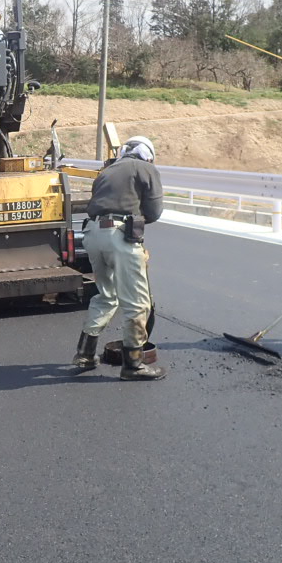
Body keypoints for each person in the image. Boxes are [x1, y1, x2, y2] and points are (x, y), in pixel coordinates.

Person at [72, 135, 166, 380]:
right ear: (148, 155)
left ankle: (85, 354)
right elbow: (154, 212)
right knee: (137, 302)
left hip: (92, 234)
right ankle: (133, 365)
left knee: (107, 295)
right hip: (118, 236)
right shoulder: (145, 168)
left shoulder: (107, 170)